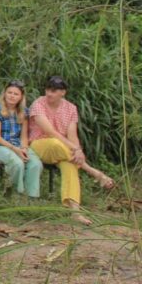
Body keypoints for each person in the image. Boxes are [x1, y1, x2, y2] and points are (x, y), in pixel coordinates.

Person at [29, 76, 115, 225]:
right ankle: (94, 172)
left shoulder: (70, 108)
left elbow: (72, 135)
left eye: (54, 90)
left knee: (70, 167)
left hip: (63, 150)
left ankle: (75, 212)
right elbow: (50, 131)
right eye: (48, 89)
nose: (49, 93)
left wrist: (78, 151)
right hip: (40, 145)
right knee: (55, 142)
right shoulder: (38, 103)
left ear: (63, 92)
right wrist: (74, 149)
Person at [0, 80, 42, 198]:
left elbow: (24, 136)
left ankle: (31, 196)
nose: (12, 96)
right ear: (4, 93)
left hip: (17, 144)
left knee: (35, 163)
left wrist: (24, 148)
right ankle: (14, 194)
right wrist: (16, 150)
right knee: (17, 163)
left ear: (21, 97)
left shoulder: (23, 112)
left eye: (16, 94)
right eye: (9, 92)